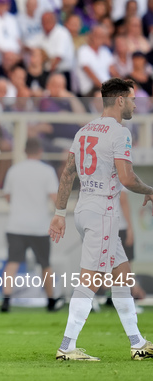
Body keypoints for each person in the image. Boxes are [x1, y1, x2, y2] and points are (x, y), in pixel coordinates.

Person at [49, 78, 153, 361]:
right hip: (104, 212)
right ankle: (67, 346)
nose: (134, 104)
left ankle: (137, 342)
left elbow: (68, 173)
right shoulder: (120, 132)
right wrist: (149, 190)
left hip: (84, 209)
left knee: (122, 274)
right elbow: (127, 177)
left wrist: (60, 214)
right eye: (131, 99)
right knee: (91, 279)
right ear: (120, 100)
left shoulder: (84, 130)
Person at [1, 138, 62, 312]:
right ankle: (50, 300)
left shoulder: (14, 170)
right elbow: (55, 198)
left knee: (12, 262)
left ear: (24, 151)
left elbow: (7, 196)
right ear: (40, 151)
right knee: (45, 264)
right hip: (39, 225)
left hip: (16, 224)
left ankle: (6, 299)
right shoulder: (47, 171)